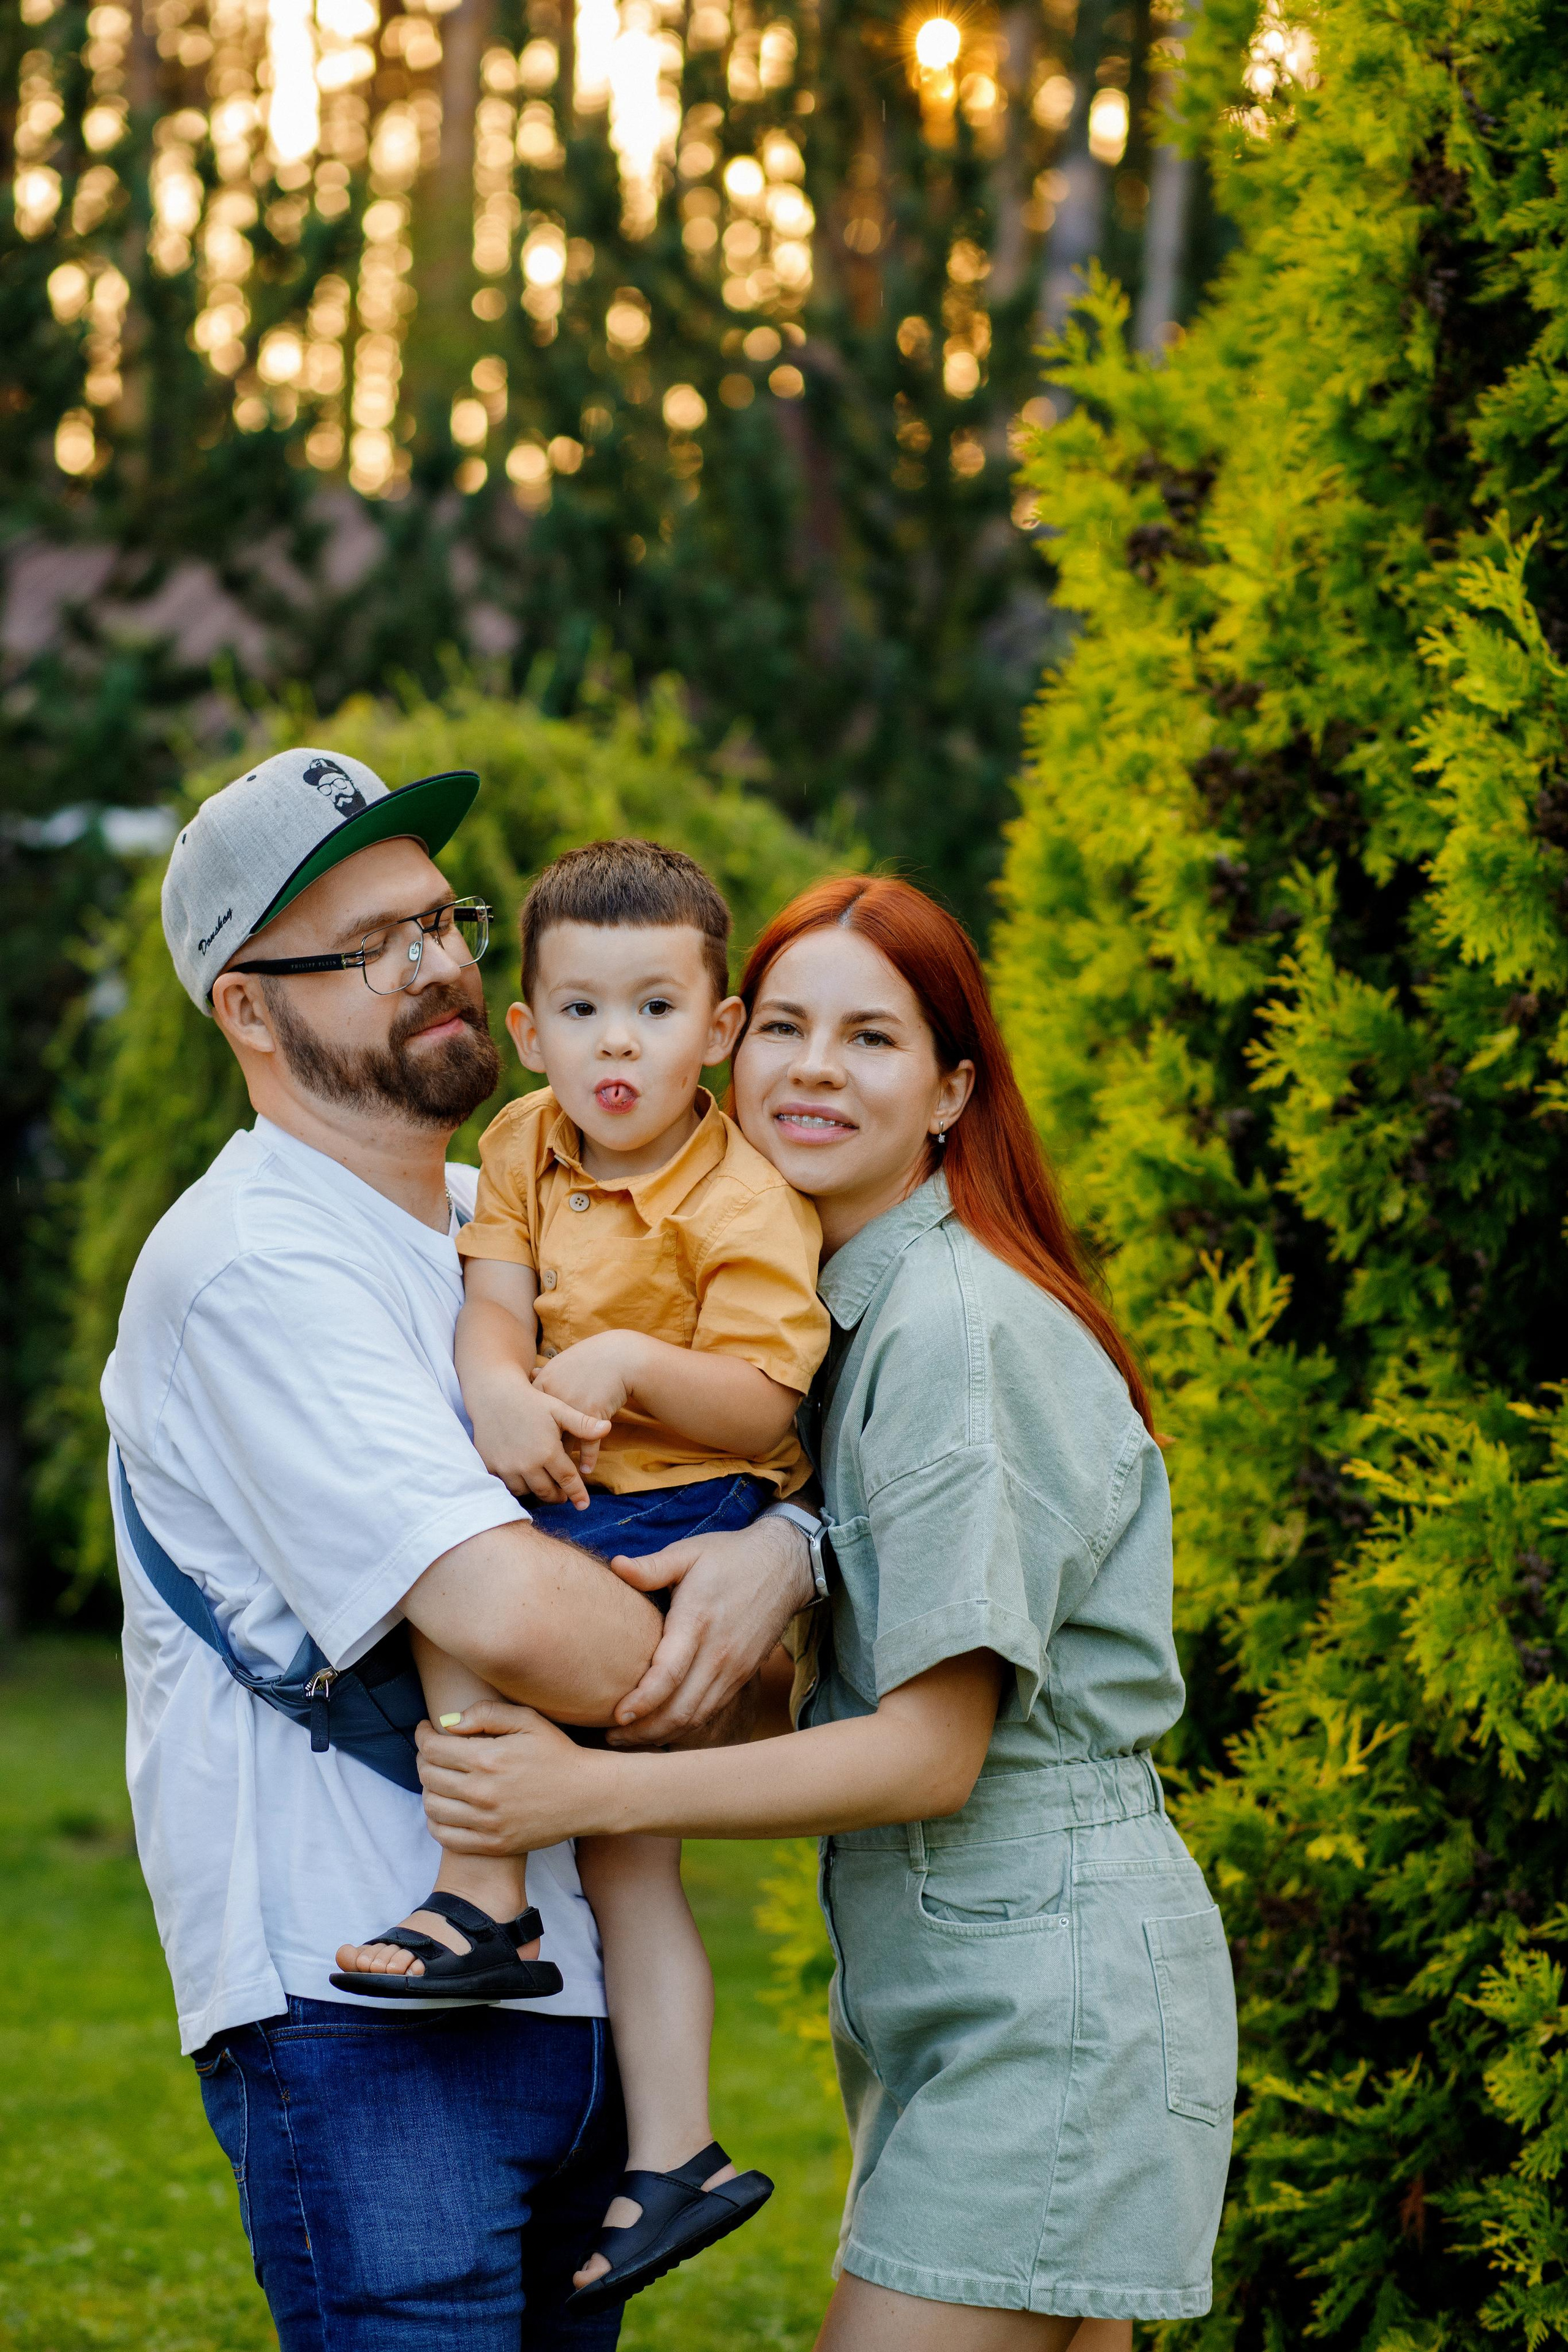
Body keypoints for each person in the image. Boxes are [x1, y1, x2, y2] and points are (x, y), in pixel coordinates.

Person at [410, 875, 1240, 2350]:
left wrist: (584, 1787)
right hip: (959, 1987)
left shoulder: (956, 1334)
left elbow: (931, 1753)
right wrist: (790, 1536)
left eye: (870, 1038)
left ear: (948, 1093)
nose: (808, 1068)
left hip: (1039, 1999)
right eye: (784, 1026)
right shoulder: (839, 1307)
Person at [100, 745, 805, 2351]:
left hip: (575, 1990)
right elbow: (518, 1616)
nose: (436, 966)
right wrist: (774, 1675)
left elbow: (738, 1474)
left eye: (442, 923)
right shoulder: (256, 1261)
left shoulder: (521, 1227)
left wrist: (787, 1562)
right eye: (367, 948)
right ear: (249, 1015)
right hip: (362, 2007)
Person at [330, 837, 830, 2314]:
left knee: (458, 1591)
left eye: (659, 1010)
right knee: (629, 1861)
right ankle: (679, 2149)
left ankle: (479, 1892)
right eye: (586, 1013)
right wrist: (497, 1386)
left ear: (719, 1031)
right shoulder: (520, 1147)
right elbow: (494, 1307)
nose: (622, 1046)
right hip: (564, 1476)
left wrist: (623, 1362)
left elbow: (765, 1406)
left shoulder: (742, 1198)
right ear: (529, 1034)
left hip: (684, 1510)